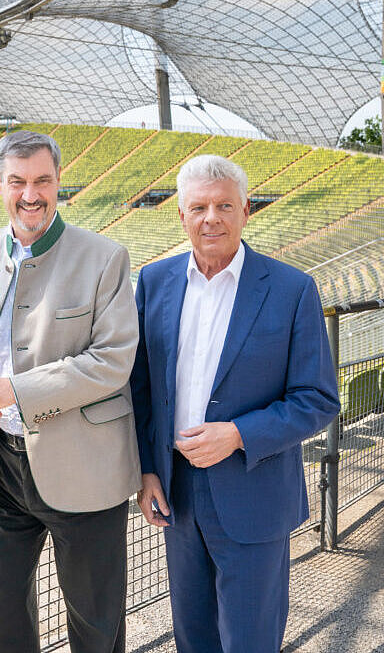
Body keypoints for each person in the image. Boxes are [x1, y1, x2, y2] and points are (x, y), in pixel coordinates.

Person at [0, 130, 141, 653]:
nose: (32, 194)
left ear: (58, 182)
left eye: (43, 180)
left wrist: (11, 391)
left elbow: (111, 361)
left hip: (85, 466)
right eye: (18, 181)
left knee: (96, 625)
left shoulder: (105, 257)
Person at [130, 154, 340, 653]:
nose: (211, 218)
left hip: (254, 490)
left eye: (224, 205)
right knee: (193, 638)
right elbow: (140, 389)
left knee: (249, 641)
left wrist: (239, 434)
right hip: (176, 492)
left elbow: (317, 398)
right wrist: (145, 471)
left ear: (246, 210)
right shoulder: (154, 281)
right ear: (181, 215)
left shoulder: (291, 289)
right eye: (198, 206)